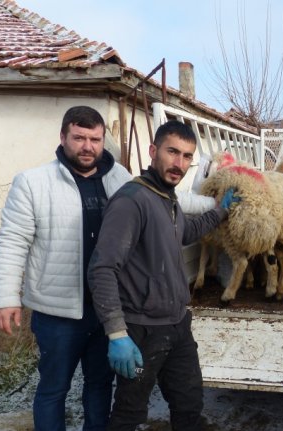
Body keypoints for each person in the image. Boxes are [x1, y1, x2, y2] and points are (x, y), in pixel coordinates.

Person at [87, 120, 239, 430]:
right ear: (153, 151)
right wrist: (117, 334)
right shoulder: (132, 201)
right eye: (172, 152)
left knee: (189, 404)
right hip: (142, 330)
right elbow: (102, 268)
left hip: (177, 325)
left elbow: (186, 232)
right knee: (130, 413)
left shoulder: (166, 198)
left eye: (186, 156)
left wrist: (220, 212)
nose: (179, 163)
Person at [0, 106, 132, 431]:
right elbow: (12, 241)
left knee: (99, 388)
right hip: (57, 315)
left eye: (95, 139)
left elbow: (159, 208)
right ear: (63, 137)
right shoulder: (33, 182)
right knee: (53, 390)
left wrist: (212, 206)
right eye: (79, 137)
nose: (88, 146)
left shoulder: (120, 179)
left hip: (107, 312)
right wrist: (4, 297)